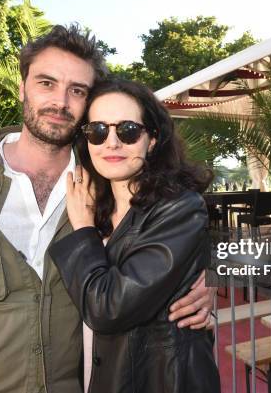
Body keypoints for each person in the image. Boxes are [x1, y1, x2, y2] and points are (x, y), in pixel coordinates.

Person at [0, 25, 214, 393]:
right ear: (22, 87)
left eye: (77, 91)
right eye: (46, 83)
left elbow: (138, 269)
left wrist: (200, 289)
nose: (60, 102)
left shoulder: (106, 181)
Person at [48, 79, 220, 393]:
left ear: (152, 140)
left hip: (159, 380)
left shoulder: (177, 207)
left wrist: (216, 271)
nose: (111, 143)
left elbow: (107, 308)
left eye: (127, 130)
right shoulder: (86, 203)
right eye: (97, 131)